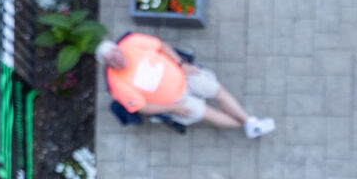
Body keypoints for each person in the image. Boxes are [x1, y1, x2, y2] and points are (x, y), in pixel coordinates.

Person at [99, 32, 273, 136]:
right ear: (108, 66)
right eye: (111, 60)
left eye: (116, 53)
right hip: (174, 102)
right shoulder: (117, 85)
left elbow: (161, 46)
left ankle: (249, 122)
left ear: (118, 48)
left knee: (216, 90)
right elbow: (142, 107)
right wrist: (172, 108)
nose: (117, 59)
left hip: (183, 74)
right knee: (206, 112)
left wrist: (182, 64)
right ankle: (249, 125)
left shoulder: (131, 43)